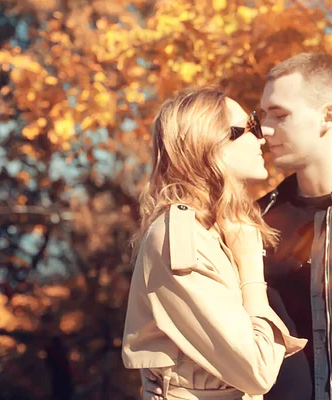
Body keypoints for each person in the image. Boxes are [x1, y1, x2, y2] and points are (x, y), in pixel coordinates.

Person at [142, 53, 332, 400]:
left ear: (327, 117)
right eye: (263, 116)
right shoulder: (247, 225)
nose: (265, 130)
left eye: (281, 114)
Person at [123, 88, 307, 400]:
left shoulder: (214, 230)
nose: (261, 137)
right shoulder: (180, 238)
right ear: (212, 146)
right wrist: (250, 265)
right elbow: (257, 370)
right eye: (249, 126)